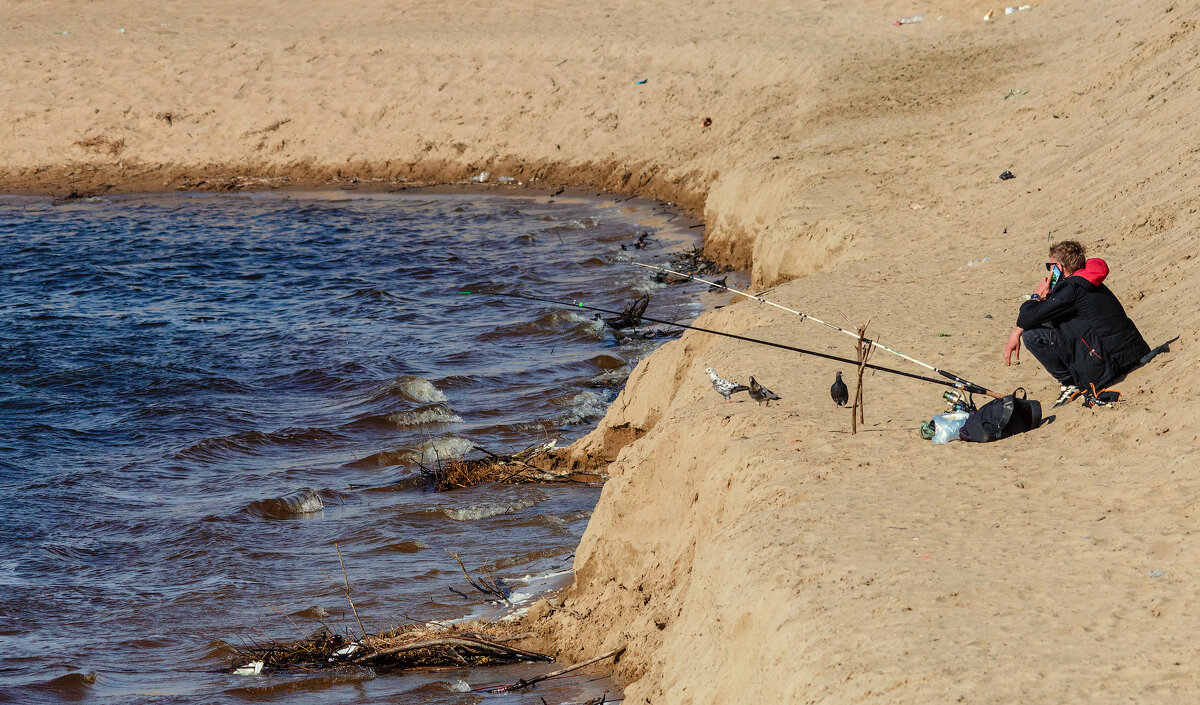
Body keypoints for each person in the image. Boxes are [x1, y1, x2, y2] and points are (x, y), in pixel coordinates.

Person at [1003, 240, 1149, 406]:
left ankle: (1070, 383)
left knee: (1031, 335)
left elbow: (1026, 318)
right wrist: (1016, 330)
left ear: (1058, 267)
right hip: (1131, 352)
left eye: (1050, 267)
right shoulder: (1086, 279)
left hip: (1112, 364)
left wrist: (1037, 296)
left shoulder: (1071, 289)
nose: (1049, 272)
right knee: (1051, 321)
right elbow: (1040, 316)